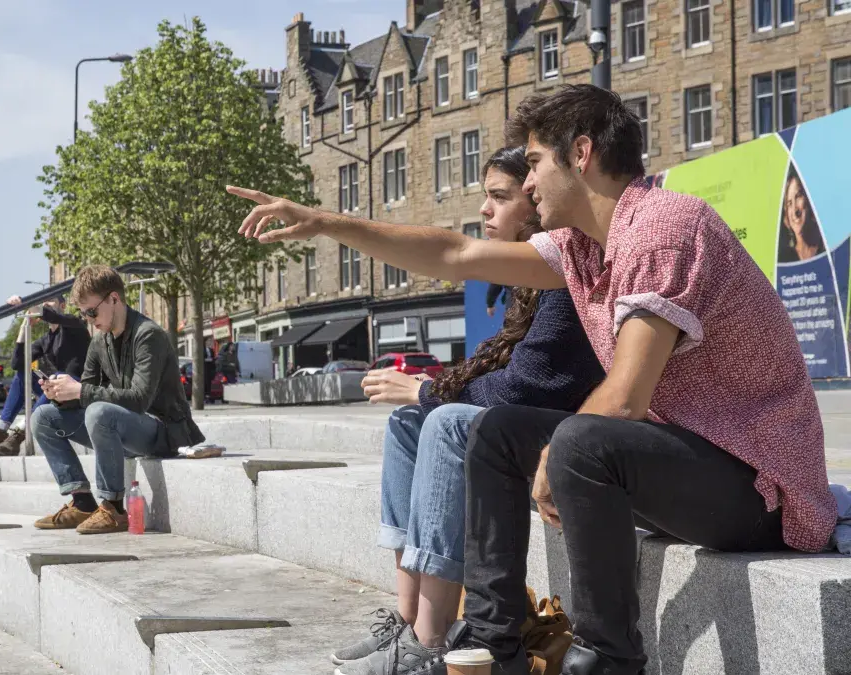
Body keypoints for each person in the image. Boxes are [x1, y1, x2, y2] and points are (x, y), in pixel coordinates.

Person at [228, 84, 835, 675]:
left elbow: (625, 398)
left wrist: (555, 456)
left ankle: (606, 658)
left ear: (581, 154)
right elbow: (455, 256)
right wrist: (324, 223)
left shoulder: (666, 227)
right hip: (693, 463)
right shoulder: (584, 246)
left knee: (580, 439)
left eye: (537, 162)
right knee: (495, 432)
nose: (530, 182)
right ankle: (494, 645)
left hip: (761, 488)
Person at [329, 147, 604, 675]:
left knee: (445, 420)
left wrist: (427, 392)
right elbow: (499, 372)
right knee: (409, 421)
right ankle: (409, 621)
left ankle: (431, 638)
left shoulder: (562, 268)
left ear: (534, 202)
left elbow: (529, 387)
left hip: (565, 439)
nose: (485, 210)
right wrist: (424, 394)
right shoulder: (525, 282)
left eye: (498, 197)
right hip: (529, 429)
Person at [30, 265, 205, 535]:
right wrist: (61, 396)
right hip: (125, 429)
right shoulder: (100, 342)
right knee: (43, 417)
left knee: (99, 413)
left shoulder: (149, 335)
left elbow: (139, 399)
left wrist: (79, 391)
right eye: (83, 313)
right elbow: (86, 394)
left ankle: (113, 507)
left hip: (165, 432)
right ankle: (82, 502)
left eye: (92, 311)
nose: (89, 319)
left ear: (114, 299)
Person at [0, 296, 89, 457]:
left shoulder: (74, 323)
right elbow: (17, 363)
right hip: (57, 391)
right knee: (23, 373)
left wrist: (25, 304)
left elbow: (52, 315)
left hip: (78, 391)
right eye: (42, 302)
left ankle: (19, 434)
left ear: (63, 305)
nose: (45, 304)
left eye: (49, 300)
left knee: (58, 376)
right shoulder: (46, 340)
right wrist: (24, 326)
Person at [777, 168, 824, 263]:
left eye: (798, 196)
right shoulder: (783, 259)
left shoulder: (826, 249)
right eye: (789, 203)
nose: (794, 210)